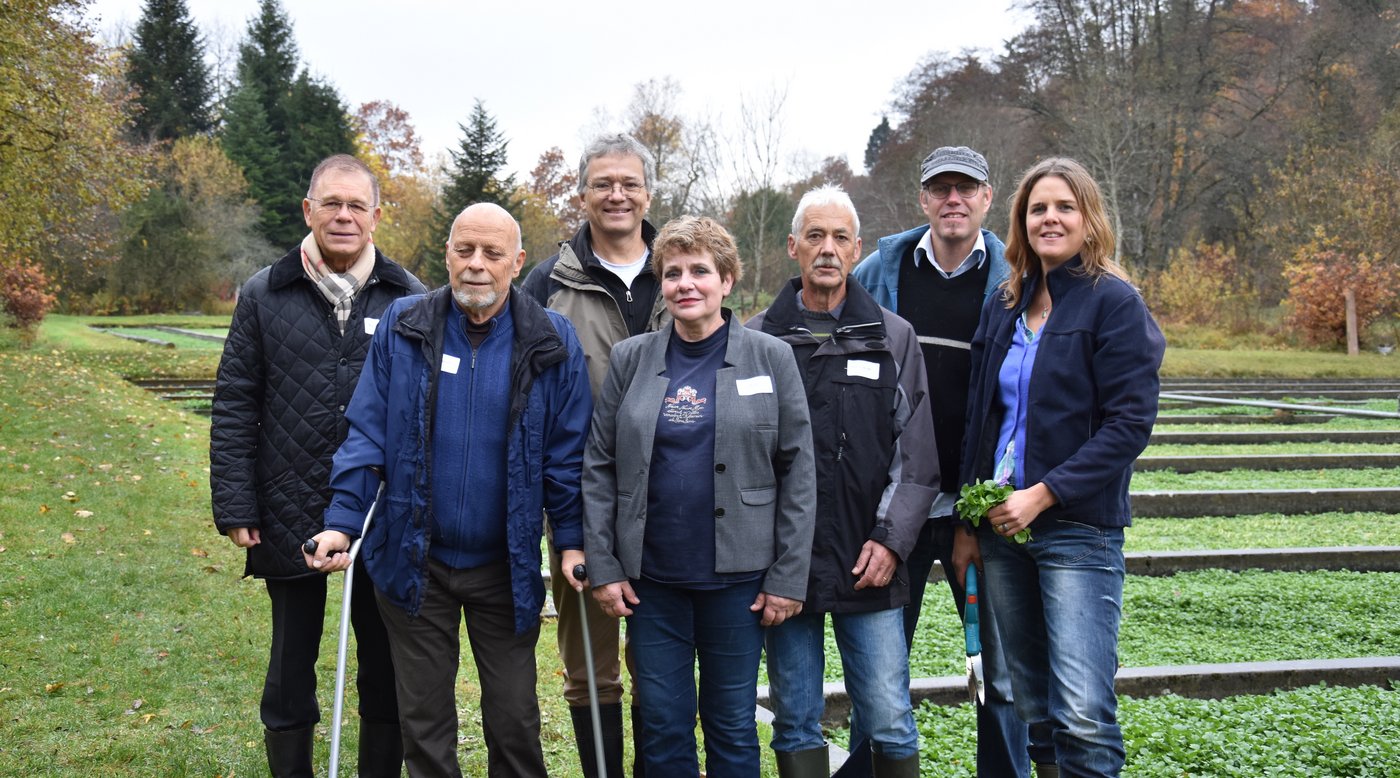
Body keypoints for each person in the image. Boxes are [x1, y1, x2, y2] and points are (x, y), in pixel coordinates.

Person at [302, 203, 594, 777]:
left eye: (492, 254)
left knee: (514, 719)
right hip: (415, 561)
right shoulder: (405, 325)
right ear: (447, 255)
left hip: (504, 567)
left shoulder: (551, 339)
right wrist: (341, 521)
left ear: (517, 261)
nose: (477, 266)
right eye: (465, 251)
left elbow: (566, 457)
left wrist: (574, 541)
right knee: (425, 723)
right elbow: (367, 433)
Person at [210, 154, 425, 778]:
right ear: (308, 210)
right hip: (285, 501)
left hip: (379, 508)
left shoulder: (409, 297)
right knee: (290, 662)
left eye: (357, 205)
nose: (344, 216)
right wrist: (236, 504)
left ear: (377, 217)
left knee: (382, 664)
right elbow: (234, 404)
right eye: (331, 203)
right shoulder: (263, 293)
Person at [583, 215, 816, 777]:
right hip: (651, 584)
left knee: (732, 724)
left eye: (700, 271)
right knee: (663, 724)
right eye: (673, 272)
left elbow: (798, 470)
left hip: (737, 583)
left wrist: (787, 576)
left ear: (727, 280)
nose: (686, 283)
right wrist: (604, 565)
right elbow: (599, 464)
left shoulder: (770, 357)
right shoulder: (632, 358)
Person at [960, 157, 1164, 778]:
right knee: (1035, 706)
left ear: (1089, 218)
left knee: (1082, 711)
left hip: (1077, 529)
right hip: (1003, 529)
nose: (1050, 218)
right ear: (1021, 221)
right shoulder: (1007, 302)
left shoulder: (1115, 303)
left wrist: (1045, 493)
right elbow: (981, 415)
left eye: (1065, 207)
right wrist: (967, 523)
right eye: (1038, 208)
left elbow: (1129, 425)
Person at [851, 145, 1030, 775]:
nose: (953, 200)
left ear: (988, 197)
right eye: (940, 189)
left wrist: (977, 509)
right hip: (892, 507)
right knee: (878, 663)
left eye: (967, 189)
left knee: (998, 667)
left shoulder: (1016, 279)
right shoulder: (879, 272)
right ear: (923, 198)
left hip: (976, 506)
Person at [749, 186, 938, 778]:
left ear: (857, 249)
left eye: (838, 238)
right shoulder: (757, 341)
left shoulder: (892, 337)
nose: (826, 250)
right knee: (796, 716)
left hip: (868, 560)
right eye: (814, 237)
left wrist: (890, 540)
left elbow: (918, 459)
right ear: (793, 248)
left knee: (887, 714)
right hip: (787, 567)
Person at [521, 132, 668, 778]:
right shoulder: (547, 282)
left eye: (629, 183)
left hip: (674, 503)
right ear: (581, 194)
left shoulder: (685, 268)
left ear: (648, 193)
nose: (617, 194)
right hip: (582, 507)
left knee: (658, 663)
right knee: (591, 667)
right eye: (603, 183)